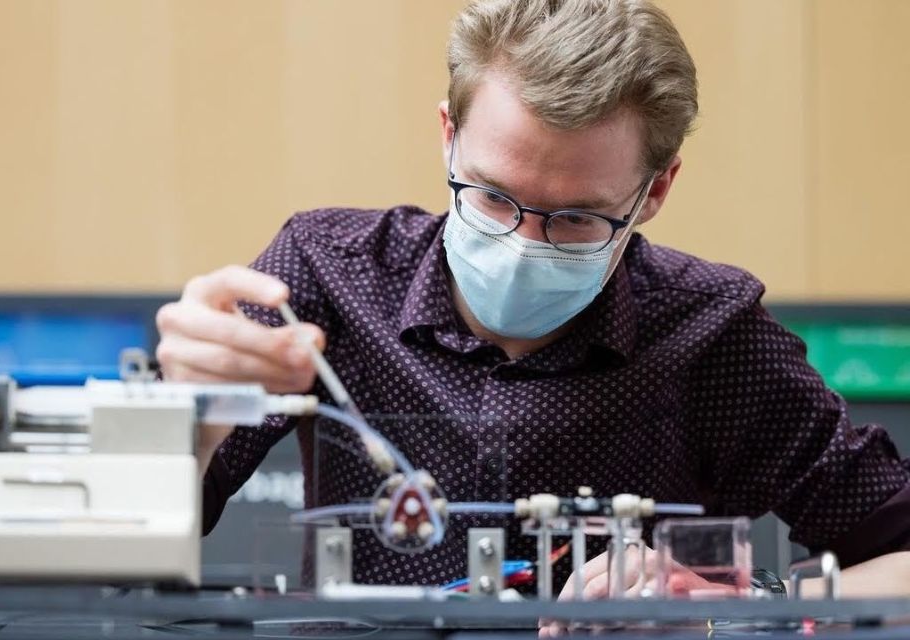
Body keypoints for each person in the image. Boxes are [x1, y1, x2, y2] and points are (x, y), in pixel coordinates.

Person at [156, 0, 910, 596]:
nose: (522, 244)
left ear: (656, 191)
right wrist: (185, 422)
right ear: (448, 135)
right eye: (491, 198)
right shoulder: (324, 275)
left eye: (577, 217)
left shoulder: (713, 335)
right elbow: (136, 542)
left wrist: (748, 600)